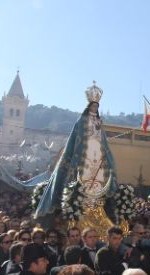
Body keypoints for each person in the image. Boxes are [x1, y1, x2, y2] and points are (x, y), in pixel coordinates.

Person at [35, 82, 118, 226]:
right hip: (84, 151)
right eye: (93, 106)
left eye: (97, 106)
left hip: (96, 150)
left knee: (101, 174)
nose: (95, 108)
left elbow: (101, 138)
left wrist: (98, 129)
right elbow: (78, 136)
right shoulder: (82, 119)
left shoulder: (99, 120)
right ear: (89, 106)